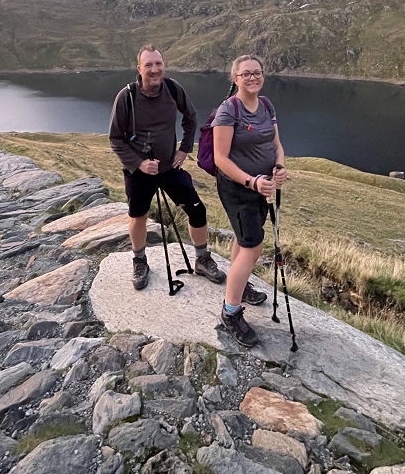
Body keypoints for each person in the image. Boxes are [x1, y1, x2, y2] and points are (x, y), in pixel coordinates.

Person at [109, 44, 227, 290]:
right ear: (139, 68)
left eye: (158, 64)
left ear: (164, 65)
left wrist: (184, 149)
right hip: (139, 171)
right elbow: (115, 138)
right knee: (138, 215)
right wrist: (139, 163)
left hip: (169, 169)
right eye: (149, 65)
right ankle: (140, 261)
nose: (154, 69)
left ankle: (202, 260)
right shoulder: (127, 96)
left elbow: (191, 117)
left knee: (197, 210)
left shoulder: (173, 89)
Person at [211, 54, 288, 348]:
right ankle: (230, 312)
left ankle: (238, 288)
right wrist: (251, 181)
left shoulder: (266, 105)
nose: (253, 77)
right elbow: (221, 158)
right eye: (246, 74)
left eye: (257, 72)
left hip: (263, 186)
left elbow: (276, 145)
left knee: (244, 240)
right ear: (236, 78)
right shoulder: (228, 111)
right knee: (253, 246)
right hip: (238, 188)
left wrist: (279, 167)